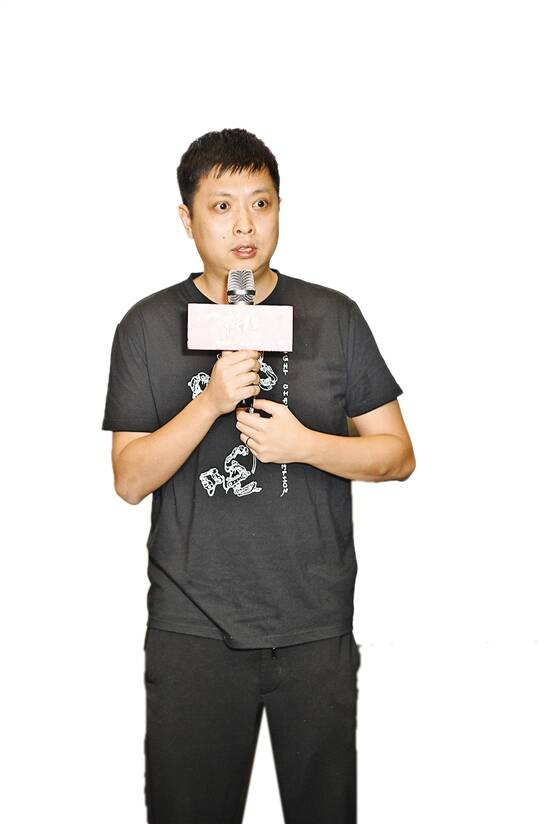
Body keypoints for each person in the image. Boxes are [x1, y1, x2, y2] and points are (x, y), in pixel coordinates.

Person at [101, 127, 415, 824]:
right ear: (187, 219)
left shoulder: (332, 317)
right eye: (222, 206)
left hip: (314, 626)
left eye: (261, 203)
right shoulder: (147, 327)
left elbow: (397, 455)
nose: (244, 225)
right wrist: (210, 401)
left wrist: (306, 445)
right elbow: (129, 479)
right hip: (194, 628)